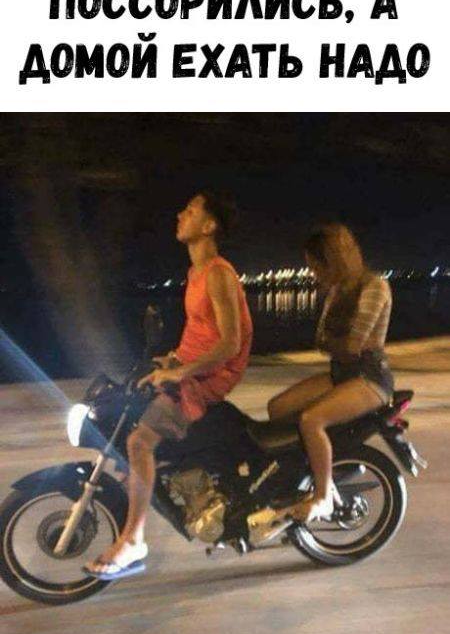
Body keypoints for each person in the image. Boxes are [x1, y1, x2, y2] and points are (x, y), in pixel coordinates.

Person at [84, 190, 253, 579]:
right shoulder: (196, 273)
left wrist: (180, 373)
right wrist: (170, 360)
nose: (180, 214)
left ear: (209, 225)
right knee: (130, 413)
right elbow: (201, 334)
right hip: (193, 369)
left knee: (138, 442)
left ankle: (133, 541)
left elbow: (229, 343)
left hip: (211, 377)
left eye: (190, 211)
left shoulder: (219, 273)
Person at [267, 223, 393, 523]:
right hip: (342, 373)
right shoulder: (337, 290)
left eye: (315, 266)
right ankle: (299, 476)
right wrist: (340, 344)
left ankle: (323, 497)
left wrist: (339, 343)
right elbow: (323, 341)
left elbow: (352, 346)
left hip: (370, 378)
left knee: (311, 420)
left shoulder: (374, 287)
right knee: (278, 408)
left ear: (333, 261)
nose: (313, 274)